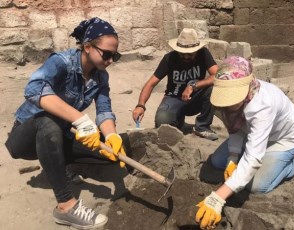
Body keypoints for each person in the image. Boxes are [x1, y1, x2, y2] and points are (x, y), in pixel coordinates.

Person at [5, 17, 127, 229]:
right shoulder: (62, 62)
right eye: (107, 54)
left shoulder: (101, 77)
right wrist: (80, 119)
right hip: (27, 137)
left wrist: (111, 136)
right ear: (88, 47)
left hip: (61, 134)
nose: (110, 60)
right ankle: (66, 206)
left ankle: (62, 166)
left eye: (114, 55)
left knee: (110, 153)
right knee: (48, 121)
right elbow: (34, 89)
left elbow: (105, 110)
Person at [195, 56, 294, 229]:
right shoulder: (232, 100)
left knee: (256, 185)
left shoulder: (262, 105)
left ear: (246, 88)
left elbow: (254, 158)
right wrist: (233, 157)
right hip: (252, 133)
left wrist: (218, 197)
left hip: (282, 138)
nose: (228, 103)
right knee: (218, 161)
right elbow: (236, 129)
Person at [132, 28, 219, 140]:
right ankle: (178, 121)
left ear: (197, 50)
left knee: (213, 88)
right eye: (182, 54)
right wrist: (140, 105)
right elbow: (150, 84)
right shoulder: (169, 58)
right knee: (162, 125)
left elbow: (218, 75)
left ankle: (202, 127)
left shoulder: (204, 54)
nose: (186, 57)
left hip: (195, 98)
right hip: (174, 98)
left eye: (190, 54)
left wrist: (193, 86)